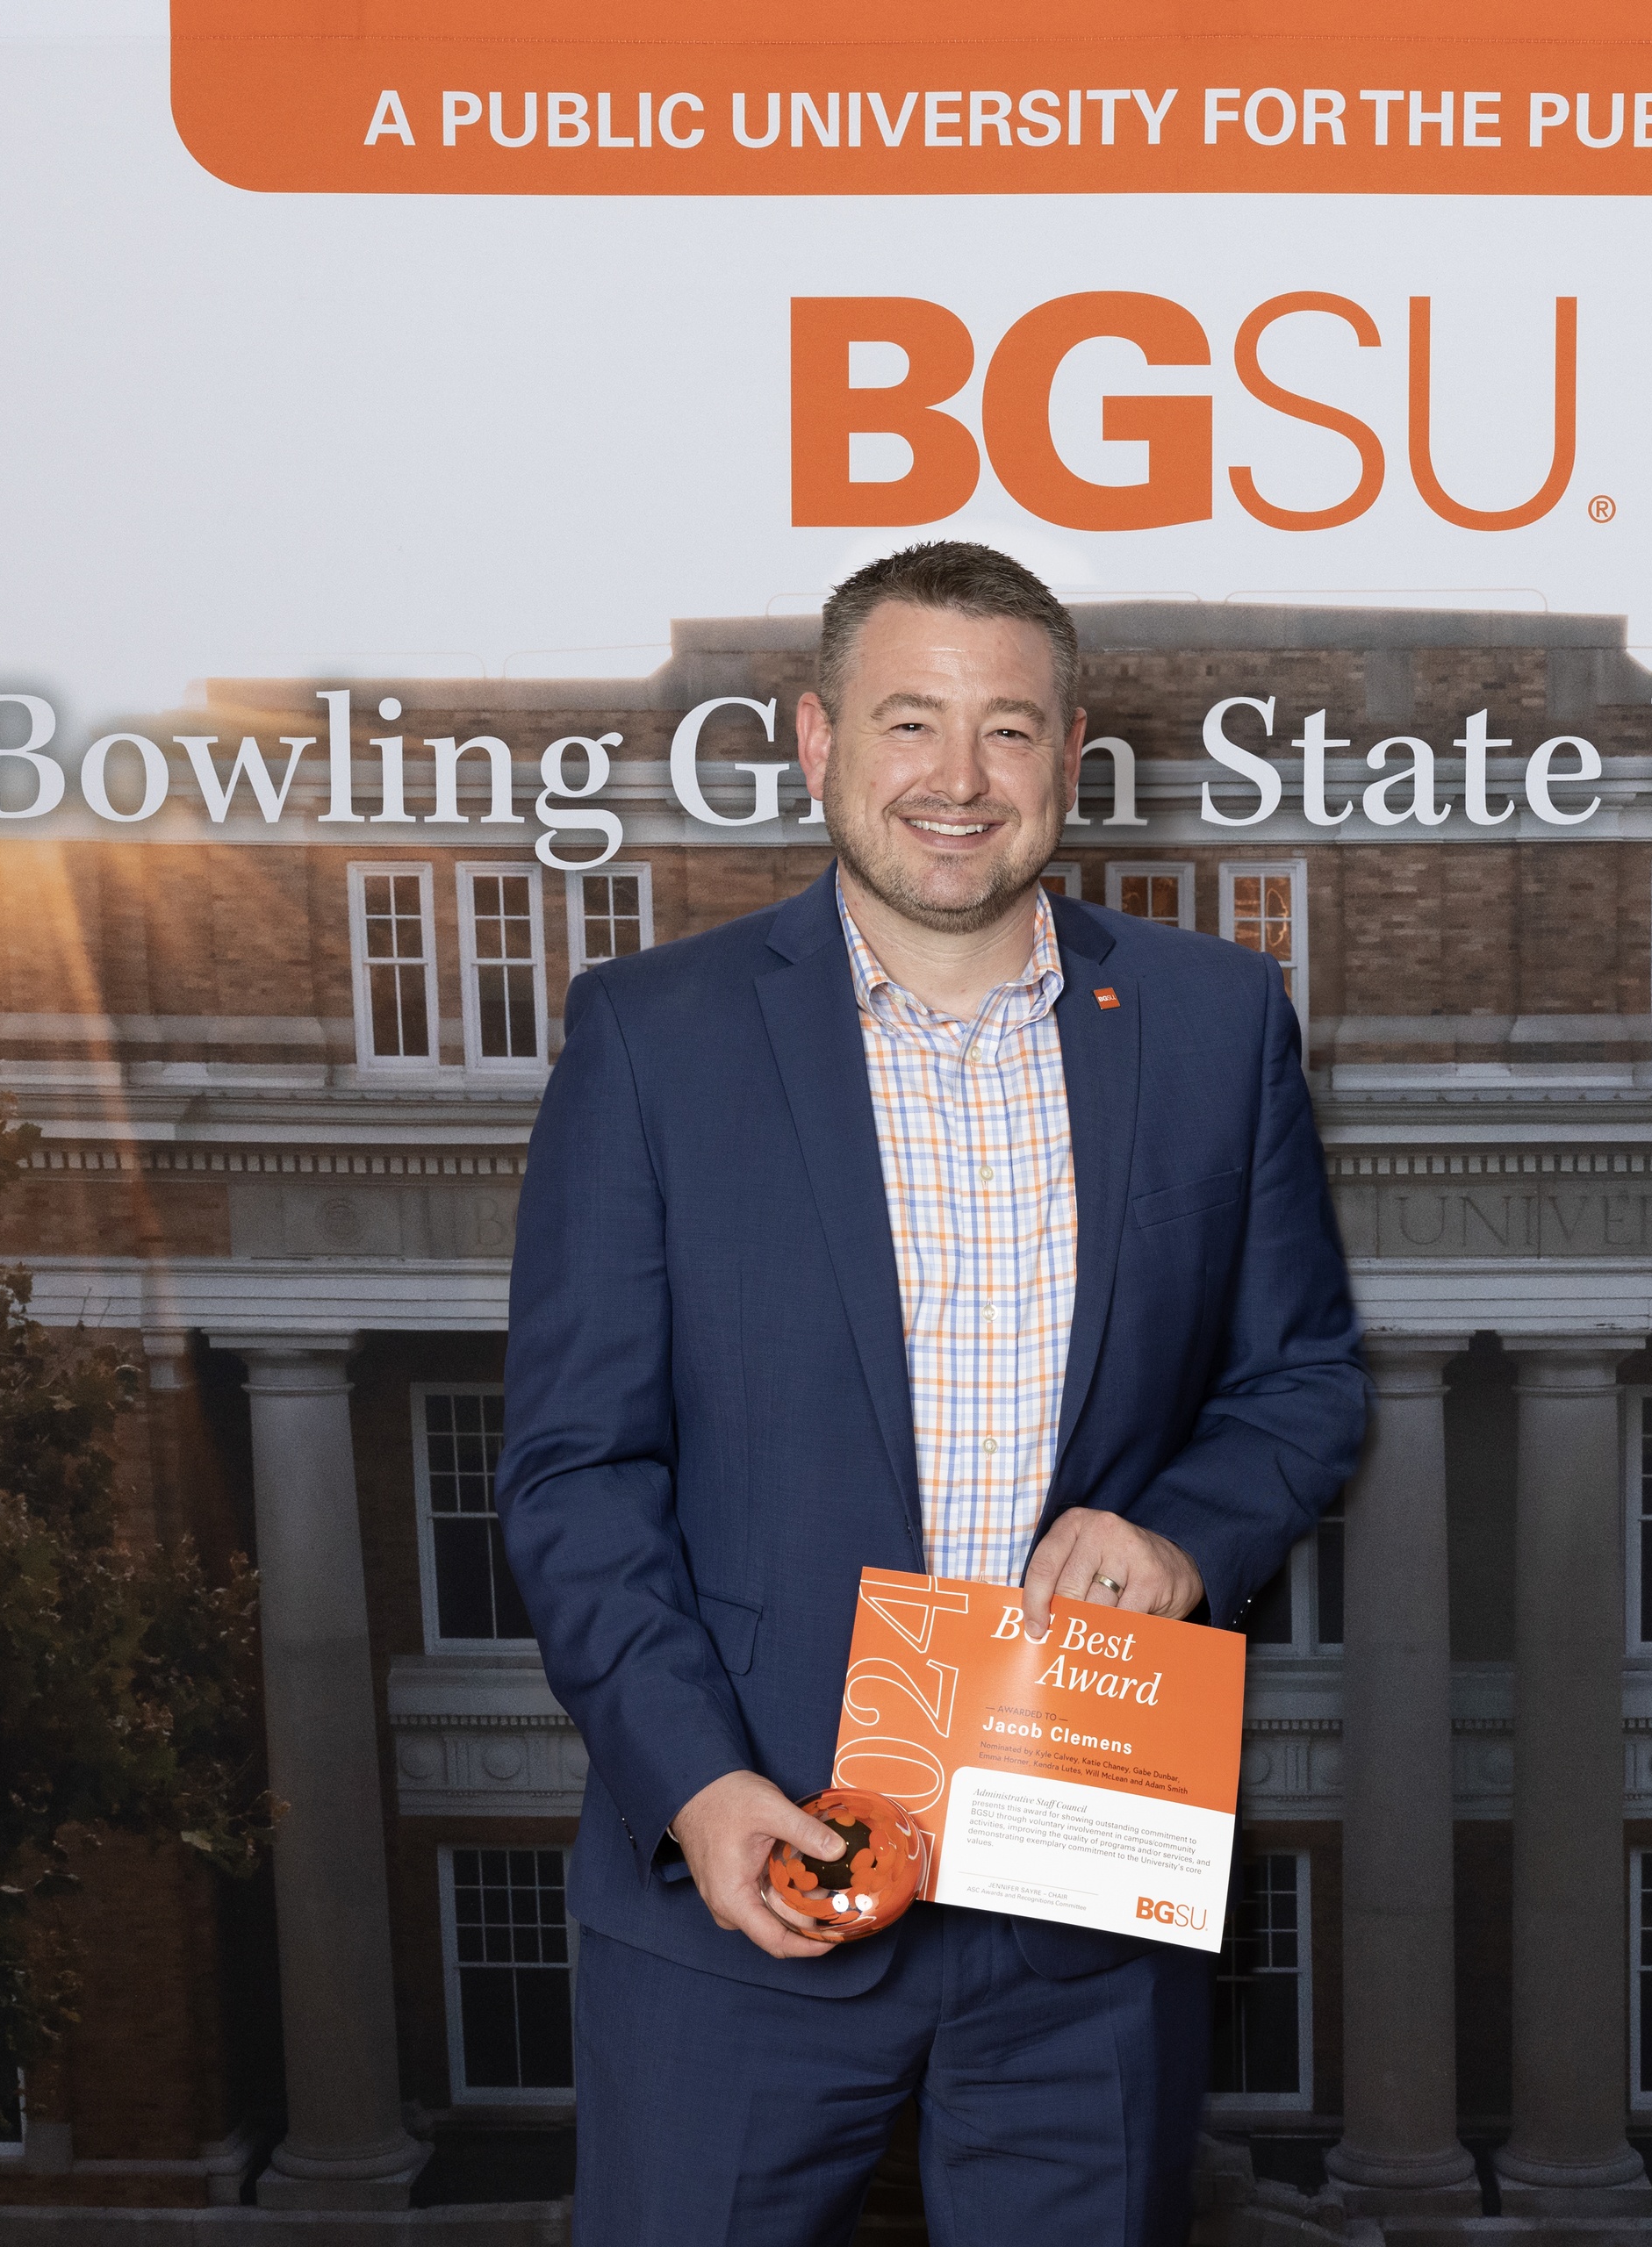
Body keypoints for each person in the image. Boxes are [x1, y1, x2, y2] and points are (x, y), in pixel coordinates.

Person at [495, 540, 1368, 2246]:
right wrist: (695, 1785)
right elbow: (576, 1474)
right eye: (911, 721)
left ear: (1071, 752)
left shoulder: (1212, 1023)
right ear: (818, 745)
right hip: (750, 1872)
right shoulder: (651, 1040)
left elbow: (1302, 1380)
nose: (958, 780)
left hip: (1081, 1890)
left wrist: (1183, 1538)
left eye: (1009, 730)